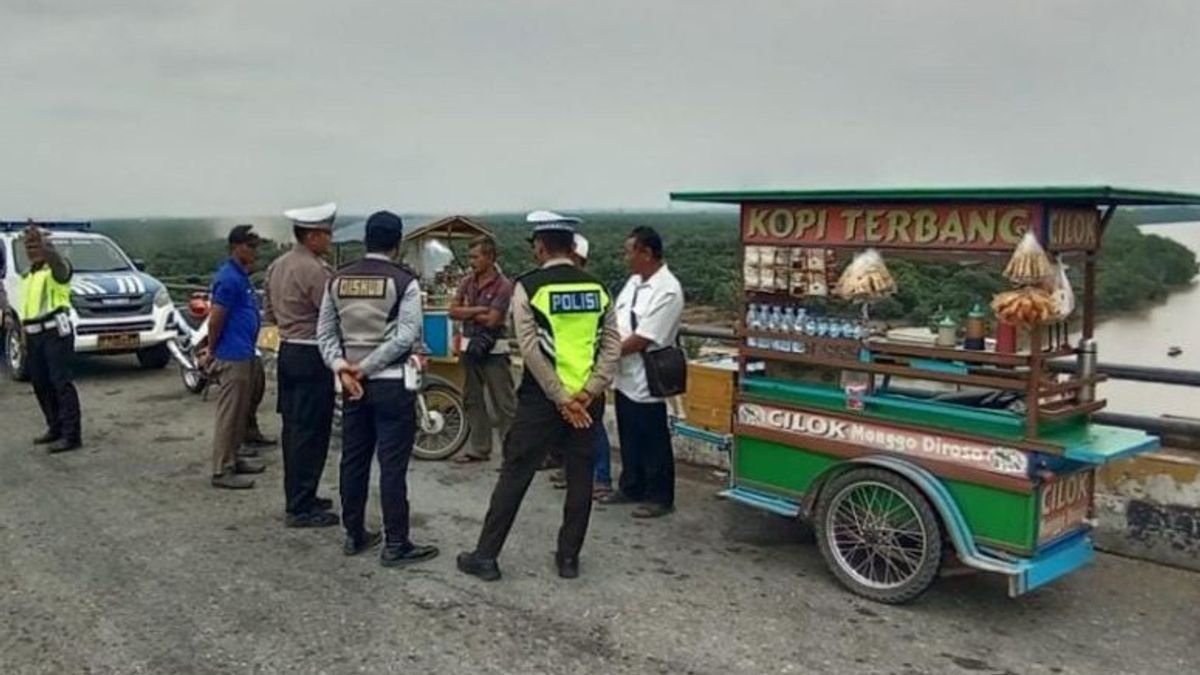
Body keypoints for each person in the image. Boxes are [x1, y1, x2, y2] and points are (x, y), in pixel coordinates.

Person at [457, 211, 621, 582]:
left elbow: (529, 350)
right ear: (572, 247)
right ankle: (568, 559)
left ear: (542, 247)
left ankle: (486, 556)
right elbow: (612, 347)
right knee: (580, 477)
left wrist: (560, 398)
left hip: (541, 401)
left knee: (515, 474)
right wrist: (586, 393)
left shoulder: (529, 287)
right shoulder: (597, 287)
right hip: (587, 401)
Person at [316, 210, 438, 566]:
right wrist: (365, 369)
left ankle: (354, 534)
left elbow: (324, 333)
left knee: (353, 461)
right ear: (397, 244)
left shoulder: (337, 280)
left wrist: (344, 369)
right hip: (391, 385)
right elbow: (405, 338)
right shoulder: (405, 282)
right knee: (392, 466)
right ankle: (396, 543)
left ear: (365, 240)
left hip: (352, 388)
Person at [263, 201, 340, 527]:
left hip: (288, 351)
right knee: (311, 431)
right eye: (325, 234)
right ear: (312, 236)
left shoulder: (277, 266)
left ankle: (300, 493)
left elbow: (268, 312)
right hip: (312, 354)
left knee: (294, 429)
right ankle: (301, 505)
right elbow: (332, 313)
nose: (329, 240)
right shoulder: (315, 270)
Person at [600, 226, 685, 518]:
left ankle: (660, 496)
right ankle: (631, 485)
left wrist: (605, 354)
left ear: (646, 253)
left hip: (649, 373)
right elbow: (618, 317)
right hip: (625, 373)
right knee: (629, 433)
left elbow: (643, 338)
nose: (626, 258)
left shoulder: (668, 289)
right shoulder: (635, 282)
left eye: (630, 251)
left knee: (652, 437)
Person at [201, 225, 267, 489]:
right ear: (236, 247)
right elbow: (216, 318)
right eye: (250, 246)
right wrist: (213, 349)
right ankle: (222, 469)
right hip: (232, 355)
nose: (254, 251)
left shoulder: (242, 277)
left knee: (241, 412)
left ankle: (235, 456)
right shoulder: (228, 278)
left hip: (245, 352)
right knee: (230, 414)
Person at [549, 233, 612, 498]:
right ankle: (571, 469)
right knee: (570, 427)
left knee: (593, 427)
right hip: (565, 371)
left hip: (586, 372)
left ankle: (601, 477)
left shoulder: (592, 288)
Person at [449, 235, 516, 464]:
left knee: (504, 403)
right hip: (470, 347)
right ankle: (479, 448)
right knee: (472, 398)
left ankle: (512, 453)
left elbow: (493, 320)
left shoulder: (503, 285)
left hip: (494, 350)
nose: (472, 261)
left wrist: (468, 311)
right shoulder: (468, 282)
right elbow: (452, 311)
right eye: (470, 257)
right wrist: (479, 309)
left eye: (476, 257)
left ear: (489, 257)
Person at [17, 223, 82, 453]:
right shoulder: (28, 276)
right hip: (34, 336)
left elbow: (59, 266)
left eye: (36, 245)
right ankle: (54, 426)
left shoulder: (56, 270)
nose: (32, 249)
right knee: (40, 384)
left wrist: (48, 247)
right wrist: (24, 338)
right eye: (29, 246)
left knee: (60, 383)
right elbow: (27, 312)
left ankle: (71, 435)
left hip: (56, 333)